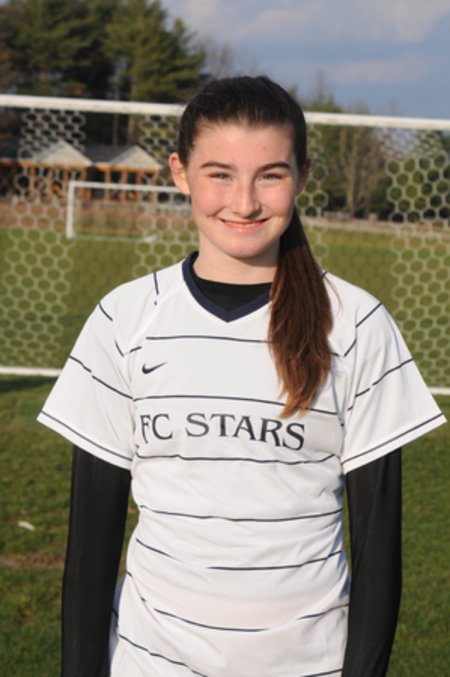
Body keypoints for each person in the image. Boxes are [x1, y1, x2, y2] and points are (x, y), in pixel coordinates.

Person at [38, 76, 445, 677]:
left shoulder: (356, 323)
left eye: (270, 175)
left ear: (301, 176)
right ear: (180, 173)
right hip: (150, 662)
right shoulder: (123, 318)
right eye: (220, 174)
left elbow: (379, 547)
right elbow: (90, 544)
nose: (246, 202)